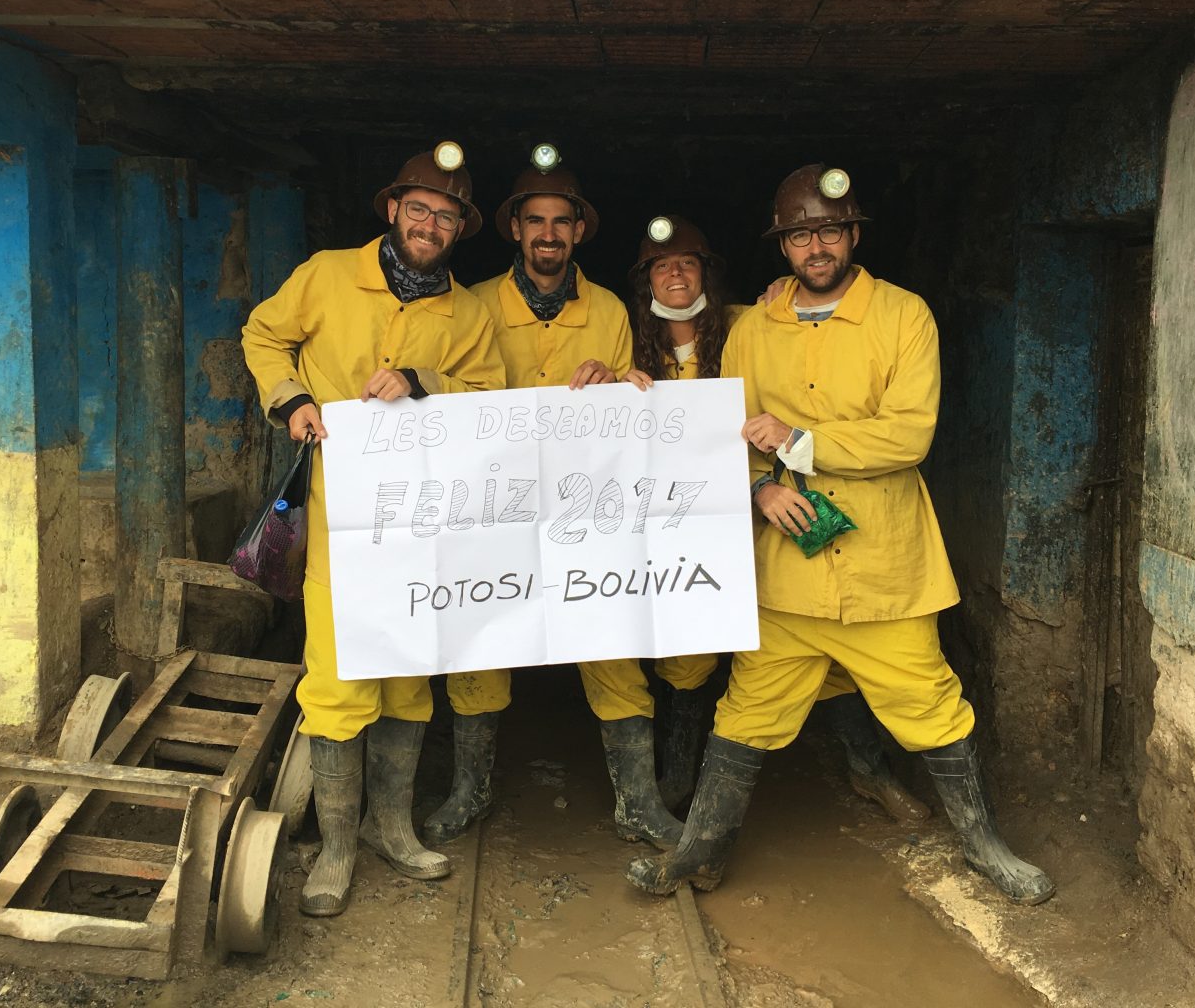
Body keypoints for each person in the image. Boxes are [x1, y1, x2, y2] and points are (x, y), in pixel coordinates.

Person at [628, 165, 1053, 904]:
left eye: (829, 231)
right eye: (800, 236)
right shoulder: (753, 328)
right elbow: (729, 434)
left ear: (853, 234)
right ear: (782, 247)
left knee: (927, 699)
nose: (815, 247)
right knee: (748, 709)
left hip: (884, 564)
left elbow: (910, 434)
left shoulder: (904, 315)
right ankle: (699, 852)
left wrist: (801, 441)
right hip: (788, 570)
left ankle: (985, 845)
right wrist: (757, 487)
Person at [241, 144, 507, 917]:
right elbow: (263, 335)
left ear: (460, 229)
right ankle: (336, 848)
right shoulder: (327, 275)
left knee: (408, 676)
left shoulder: (467, 313)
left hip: (424, 524)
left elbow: (491, 393)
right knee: (338, 676)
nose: (429, 225)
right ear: (392, 209)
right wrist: (292, 399)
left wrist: (426, 381)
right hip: (339, 518)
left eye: (445, 216)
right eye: (418, 209)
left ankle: (391, 828)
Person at [625, 215, 929, 826]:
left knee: (823, 651)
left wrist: (783, 291)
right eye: (661, 266)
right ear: (645, 280)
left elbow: (800, 341)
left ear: (708, 272)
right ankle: (679, 778)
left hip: (759, 513)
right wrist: (609, 382)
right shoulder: (628, 344)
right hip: (674, 519)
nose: (676, 274)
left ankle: (867, 770)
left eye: (688, 262)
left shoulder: (752, 322)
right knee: (687, 648)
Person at [424, 146, 682, 853]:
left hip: (582, 510)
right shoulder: (471, 304)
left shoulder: (609, 311)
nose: (547, 234)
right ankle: (469, 790)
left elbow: (635, 413)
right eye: (534, 220)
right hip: (493, 509)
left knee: (613, 644)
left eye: (561, 222)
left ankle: (638, 802)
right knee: (478, 645)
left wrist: (621, 385)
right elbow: (445, 401)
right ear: (513, 229)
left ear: (579, 231)